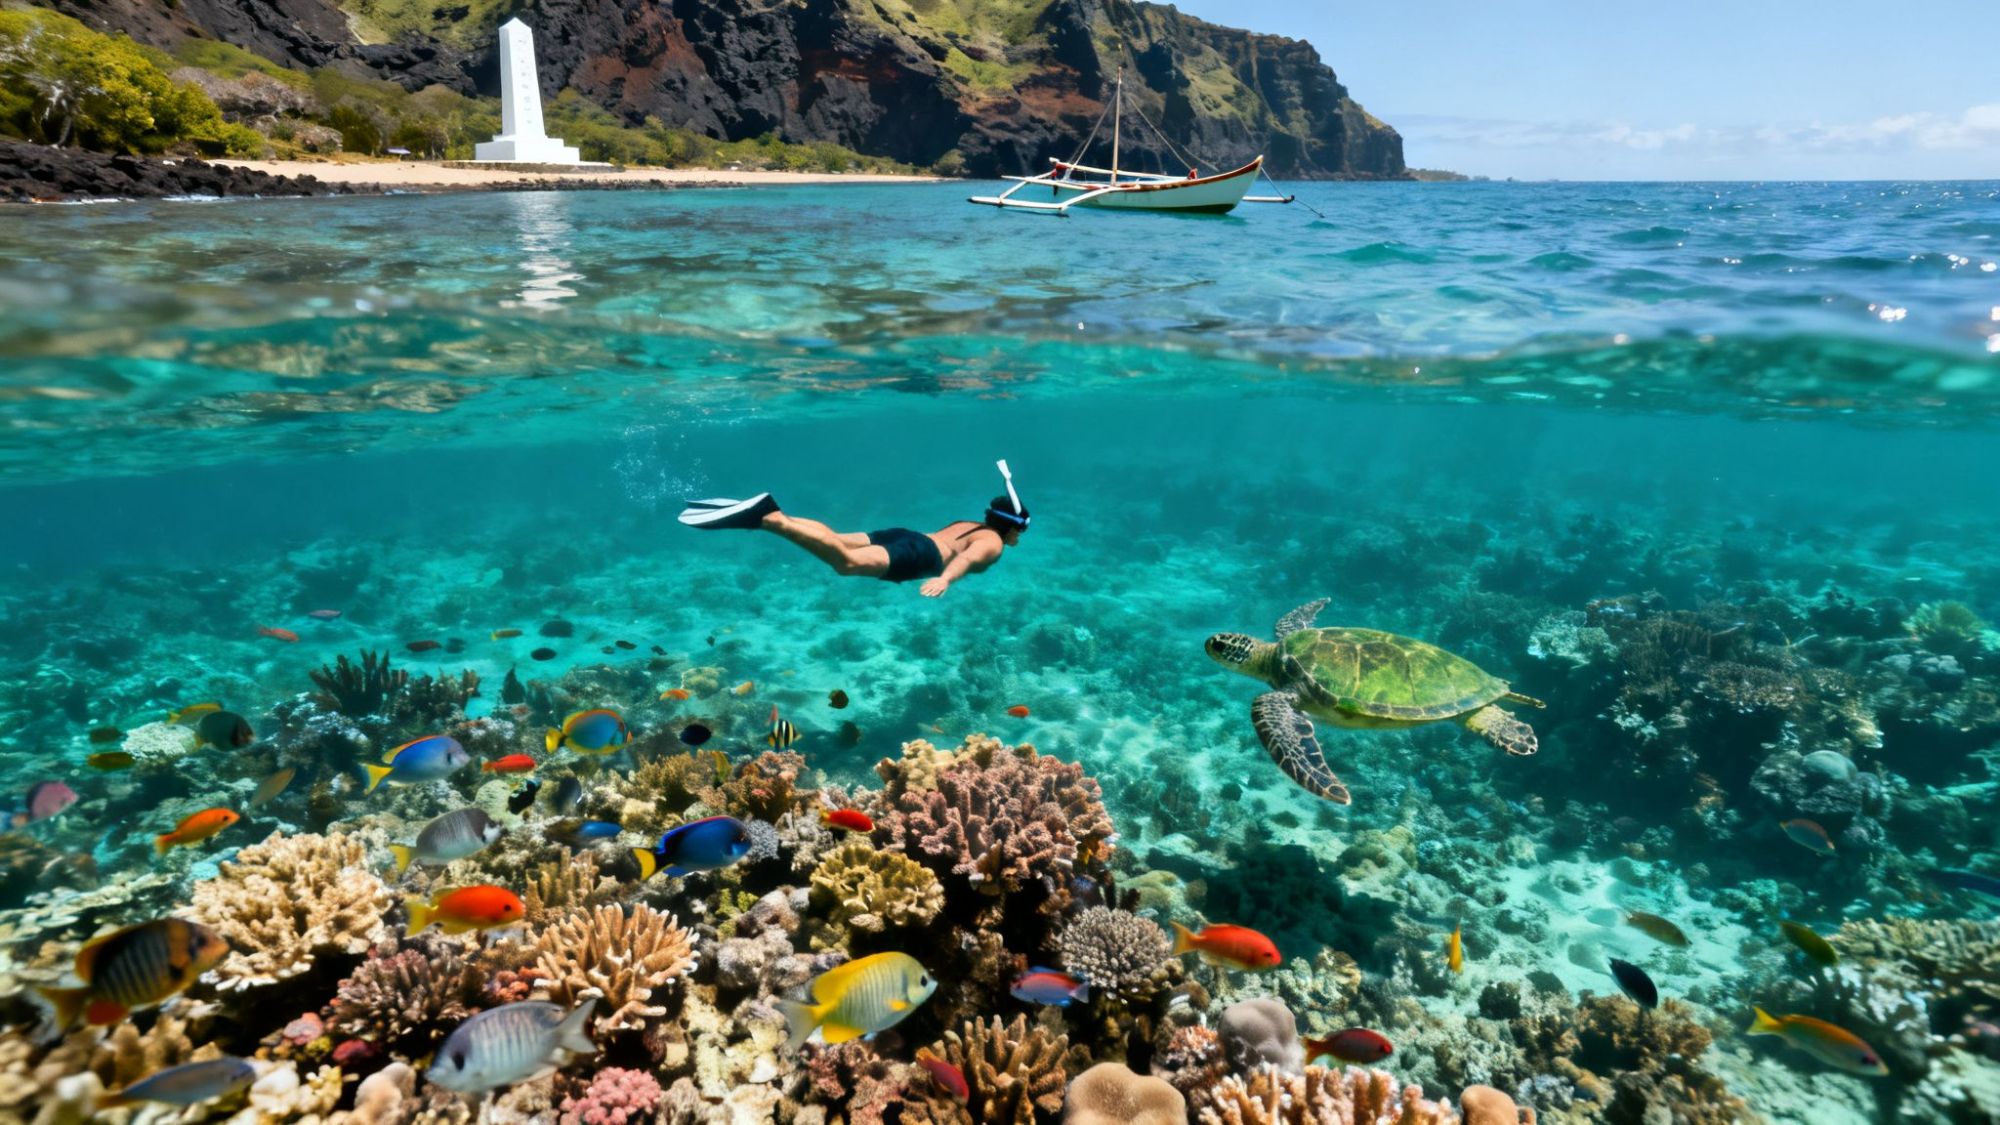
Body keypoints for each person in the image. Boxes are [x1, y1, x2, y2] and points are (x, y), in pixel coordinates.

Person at [679, 488, 1028, 598]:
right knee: (845, 563)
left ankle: (767, 513)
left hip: (908, 536)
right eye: (1020, 532)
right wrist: (945, 579)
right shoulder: (992, 542)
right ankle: (769, 519)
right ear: (1011, 529)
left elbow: (957, 545)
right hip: (919, 555)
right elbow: (967, 559)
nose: (1018, 539)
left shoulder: (969, 523)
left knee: (833, 537)